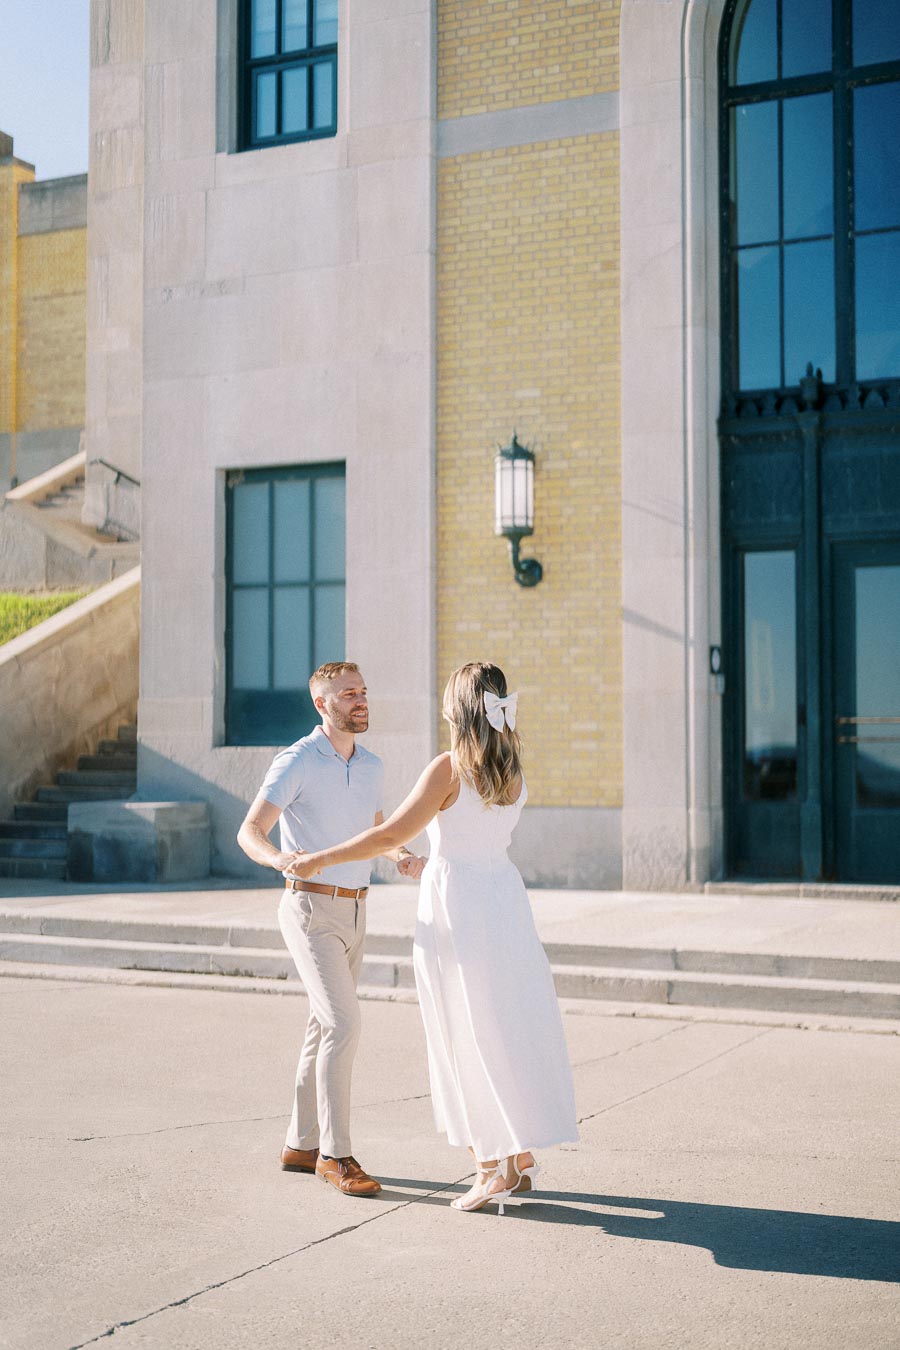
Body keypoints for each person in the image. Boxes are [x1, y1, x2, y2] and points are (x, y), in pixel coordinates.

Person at [286, 661, 579, 1215]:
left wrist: (320, 857)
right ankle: (516, 1160)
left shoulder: (450, 768)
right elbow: (474, 835)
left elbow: (391, 831)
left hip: (458, 905)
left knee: (461, 1031)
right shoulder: (510, 767)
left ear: (457, 710)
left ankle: (488, 1167)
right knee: (504, 1025)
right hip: (503, 900)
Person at [236, 661, 426, 1198]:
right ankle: (335, 1155)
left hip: (358, 911)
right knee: (343, 1023)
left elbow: (375, 832)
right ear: (322, 704)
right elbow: (250, 830)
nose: (360, 700)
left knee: (323, 1027)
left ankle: (299, 1143)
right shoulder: (296, 760)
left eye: (363, 691)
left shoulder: (370, 765)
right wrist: (279, 859)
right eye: (348, 694)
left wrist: (402, 854)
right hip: (310, 911)